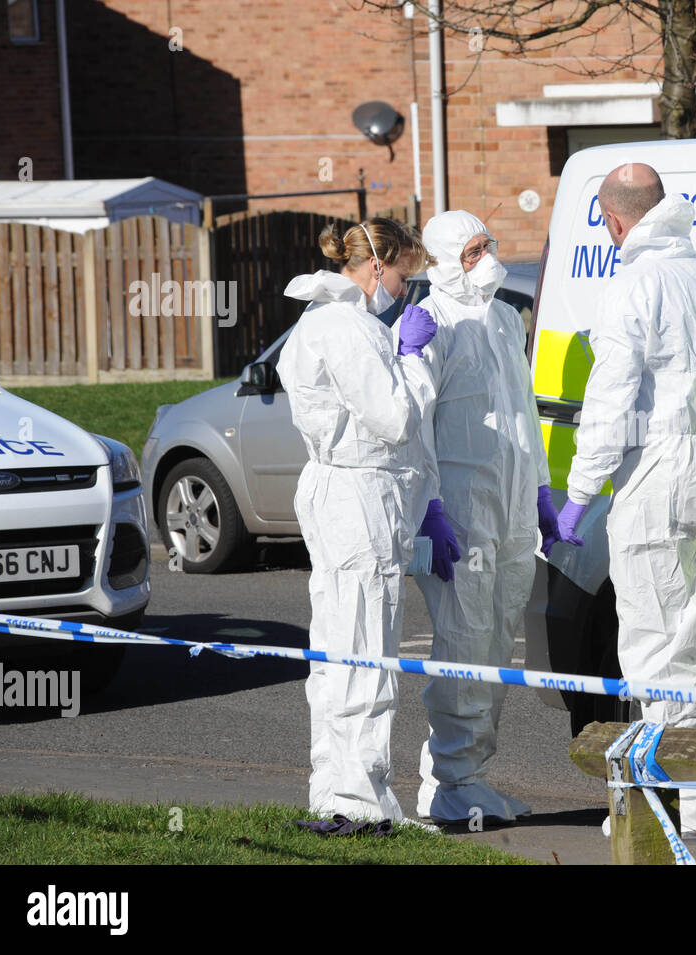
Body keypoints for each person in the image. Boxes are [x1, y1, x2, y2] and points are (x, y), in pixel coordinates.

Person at [557, 164, 696, 843]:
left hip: (659, 468)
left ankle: (652, 805)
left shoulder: (633, 285)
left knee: (651, 639)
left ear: (616, 222)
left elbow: (609, 400)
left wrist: (581, 491)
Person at [276, 217, 445, 825]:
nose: (405, 291)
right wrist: (413, 355)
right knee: (364, 651)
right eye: (403, 275)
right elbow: (395, 418)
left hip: (343, 493)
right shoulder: (348, 327)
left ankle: (335, 795)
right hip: (358, 498)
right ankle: (360, 804)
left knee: (338, 651)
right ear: (378, 266)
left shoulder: (323, 323)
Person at [393, 210, 557, 826]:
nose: (485, 258)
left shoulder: (501, 318)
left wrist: (541, 493)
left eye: (486, 244)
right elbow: (411, 426)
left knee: (495, 642)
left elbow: (523, 412)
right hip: (459, 510)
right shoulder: (429, 325)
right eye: (470, 251)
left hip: (511, 506)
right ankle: (448, 781)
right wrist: (429, 508)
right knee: (461, 641)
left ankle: (469, 776)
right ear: (439, 261)